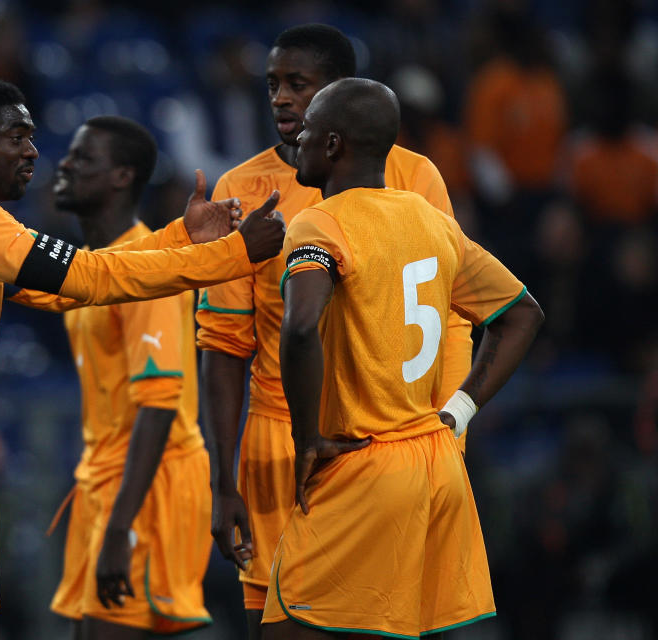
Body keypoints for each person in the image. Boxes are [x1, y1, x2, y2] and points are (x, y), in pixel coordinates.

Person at [0, 77, 285, 639]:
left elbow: (62, 284)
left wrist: (181, 236)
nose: (33, 152)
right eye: (16, 137)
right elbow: (91, 277)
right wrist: (234, 254)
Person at [196, 24, 472, 637]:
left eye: (299, 85)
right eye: (272, 85)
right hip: (279, 447)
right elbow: (223, 346)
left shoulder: (416, 177)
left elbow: (453, 313)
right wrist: (222, 480)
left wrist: (452, 421)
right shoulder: (239, 190)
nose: (281, 99)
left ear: (341, 98)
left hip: (384, 443)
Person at [265, 77, 544, 639]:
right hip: (437, 464)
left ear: (334, 144)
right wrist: (461, 410)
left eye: (311, 128)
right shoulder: (433, 221)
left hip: (365, 464)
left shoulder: (319, 223)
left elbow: (298, 328)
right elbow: (522, 314)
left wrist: (306, 439)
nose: (299, 139)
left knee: (283, 627)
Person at [16, 117, 213, 639]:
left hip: (148, 488)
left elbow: (159, 403)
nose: (64, 165)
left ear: (123, 177)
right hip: (106, 479)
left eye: (84, 159)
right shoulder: (96, 268)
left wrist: (121, 528)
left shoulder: (152, 270)